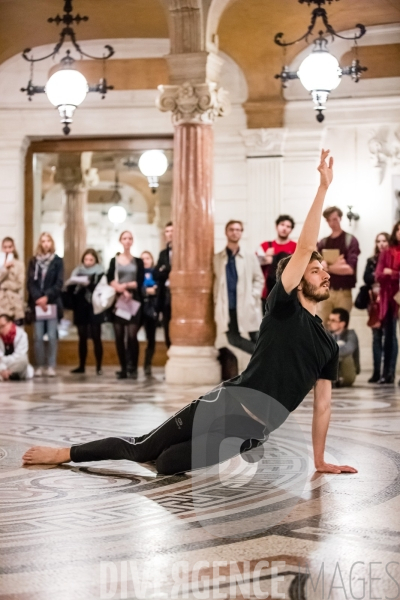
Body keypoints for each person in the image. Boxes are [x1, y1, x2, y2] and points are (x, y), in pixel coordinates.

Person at [22, 150, 357, 477]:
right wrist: (323, 188)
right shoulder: (283, 309)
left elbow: (323, 406)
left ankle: (210, 450)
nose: (325, 274)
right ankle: (65, 453)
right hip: (223, 405)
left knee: (166, 465)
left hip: (245, 435)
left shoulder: (328, 345)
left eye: (325, 270)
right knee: (141, 450)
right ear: (298, 281)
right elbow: (303, 247)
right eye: (316, 270)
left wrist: (320, 459)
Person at [214, 220, 263, 359]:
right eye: (231, 229)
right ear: (226, 232)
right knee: (233, 338)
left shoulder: (250, 257)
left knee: (258, 337)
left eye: (238, 229)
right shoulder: (218, 258)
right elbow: (216, 281)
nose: (235, 232)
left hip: (247, 304)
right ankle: (268, 359)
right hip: (228, 305)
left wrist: (254, 296)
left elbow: (258, 279)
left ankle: (269, 362)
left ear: (241, 232)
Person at [107, 231, 144, 380]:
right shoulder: (114, 260)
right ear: (120, 241)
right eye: (124, 238)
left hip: (133, 299)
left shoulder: (138, 261)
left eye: (130, 238)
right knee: (119, 335)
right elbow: (110, 278)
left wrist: (127, 287)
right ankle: (123, 367)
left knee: (132, 335)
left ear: (132, 241)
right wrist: (121, 289)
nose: (127, 241)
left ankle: (132, 366)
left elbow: (139, 280)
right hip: (119, 300)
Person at [27, 233, 63, 377]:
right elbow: (30, 282)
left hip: (52, 303)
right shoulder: (34, 261)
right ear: (40, 243)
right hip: (37, 304)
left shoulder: (58, 261)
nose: (46, 244)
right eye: (43, 241)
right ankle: (40, 365)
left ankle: (51, 365)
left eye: (48, 241)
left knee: (52, 335)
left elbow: (59, 283)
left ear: (52, 243)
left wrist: (47, 297)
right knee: (38, 336)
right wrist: (38, 298)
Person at [317, 206, 360, 325]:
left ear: (340, 218)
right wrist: (336, 265)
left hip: (343, 292)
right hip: (325, 291)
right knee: (324, 328)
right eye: (329, 220)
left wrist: (328, 267)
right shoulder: (323, 242)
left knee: (341, 327)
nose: (332, 223)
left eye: (335, 219)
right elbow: (316, 266)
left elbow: (349, 269)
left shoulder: (350, 240)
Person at [66, 249, 105, 376]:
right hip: (80, 306)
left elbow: (101, 288)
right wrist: (73, 283)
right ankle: (81, 365)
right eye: (86, 260)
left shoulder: (100, 272)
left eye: (91, 260)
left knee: (96, 336)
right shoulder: (77, 271)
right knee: (82, 337)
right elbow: (70, 289)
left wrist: (88, 284)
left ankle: (98, 366)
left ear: (95, 261)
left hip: (94, 305)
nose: (88, 263)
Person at [362, 232, 390, 383]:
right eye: (378, 241)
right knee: (376, 337)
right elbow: (367, 278)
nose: (381, 243)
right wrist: (381, 274)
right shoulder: (371, 260)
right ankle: (376, 372)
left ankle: (389, 373)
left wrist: (383, 274)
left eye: (384, 240)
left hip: (389, 299)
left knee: (390, 336)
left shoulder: (393, 258)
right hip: (374, 301)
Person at [375, 222, 400, 384]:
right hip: (389, 298)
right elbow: (378, 274)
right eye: (398, 229)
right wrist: (394, 275)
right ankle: (388, 374)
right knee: (389, 336)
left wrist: (392, 273)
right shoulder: (386, 252)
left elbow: (388, 273)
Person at [257, 215, 297, 313]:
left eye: (288, 226)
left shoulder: (296, 247)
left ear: (291, 230)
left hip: (289, 292)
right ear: (276, 226)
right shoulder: (265, 246)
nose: (284, 228)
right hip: (267, 293)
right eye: (282, 224)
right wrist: (265, 257)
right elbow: (254, 264)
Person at [326, 308, 360, 387]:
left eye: (333, 320)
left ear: (342, 323)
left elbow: (348, 349)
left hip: (347, 370)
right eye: (329, 319)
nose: (329, 323)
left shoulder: (351, 334)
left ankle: (337, 380)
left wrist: (329, 353)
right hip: (333, 368)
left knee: (346, 355)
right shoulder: (328, 334)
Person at [140, 250, 158, 377]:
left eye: (147, 258)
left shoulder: (156, 273)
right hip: (138, 308)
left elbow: (158, 289)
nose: (145, 260)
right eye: (143, 258)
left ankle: (147, 364)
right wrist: (147, 291)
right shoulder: (138, 273)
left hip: (152, 308)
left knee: (151, 338)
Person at [155, 222, 173, 349]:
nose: (170, 234)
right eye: (167, 231)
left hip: (180, 296)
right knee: (167, 327)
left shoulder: (185, 252)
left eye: (172, 231)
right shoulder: (163, 254)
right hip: (165, 296)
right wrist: (167, 270)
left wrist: (165, 269)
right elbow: (156, 273)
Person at [0, 237, 25, 326]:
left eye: (9, 247)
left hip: (15, 304)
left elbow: (19, 284)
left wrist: (4, 285)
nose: (7, 250)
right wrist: (4, 269)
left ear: (13, 248)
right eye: (5, 247)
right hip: (1, 304)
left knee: (15, 334)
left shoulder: (19, 264)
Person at [0, 314, 33, 381]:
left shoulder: (22, 335)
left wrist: (3, 361)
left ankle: (7, 374)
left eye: (3, 326)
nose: (1, 329)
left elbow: (19, 356)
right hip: (2, 365)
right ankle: (7, 374)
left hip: (15, 365)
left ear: (10, 323)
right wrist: (2, 368)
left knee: (23, 360)